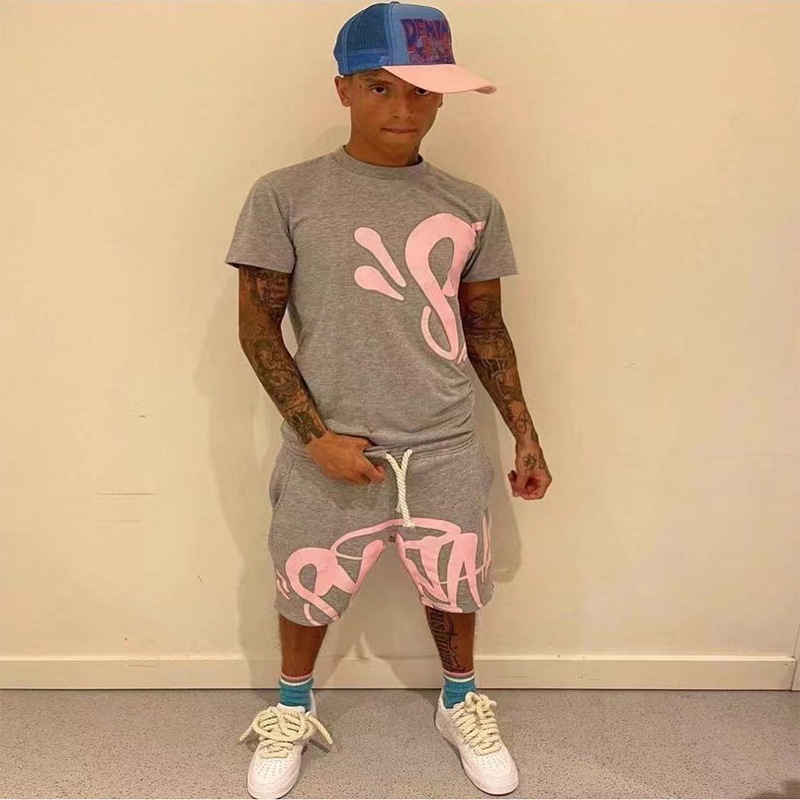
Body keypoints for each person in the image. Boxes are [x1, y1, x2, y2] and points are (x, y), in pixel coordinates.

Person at [225, 2, 552, 797]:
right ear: (343, 89)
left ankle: (460, 702)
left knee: (457, 583)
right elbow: (259, 329)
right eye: (380, 87)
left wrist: (525, 433)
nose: (403, 108)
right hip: (334, 445)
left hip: (442, 443)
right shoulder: (286, 195)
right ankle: (292, 708)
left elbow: (486, 328)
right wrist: (315, 438)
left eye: (422, 91)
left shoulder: (473, 206)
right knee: (304, 585)